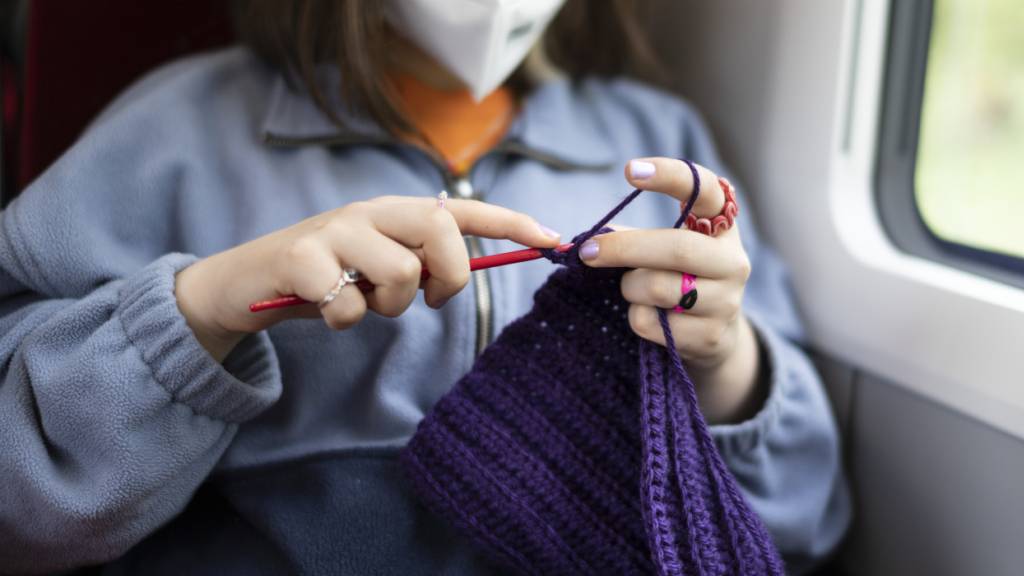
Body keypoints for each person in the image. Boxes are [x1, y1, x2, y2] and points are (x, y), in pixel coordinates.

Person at [0, 0, 850, 574]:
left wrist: (723, 364)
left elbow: (804, 515)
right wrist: (201, 312)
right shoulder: (175, 135)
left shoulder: (653, 136)